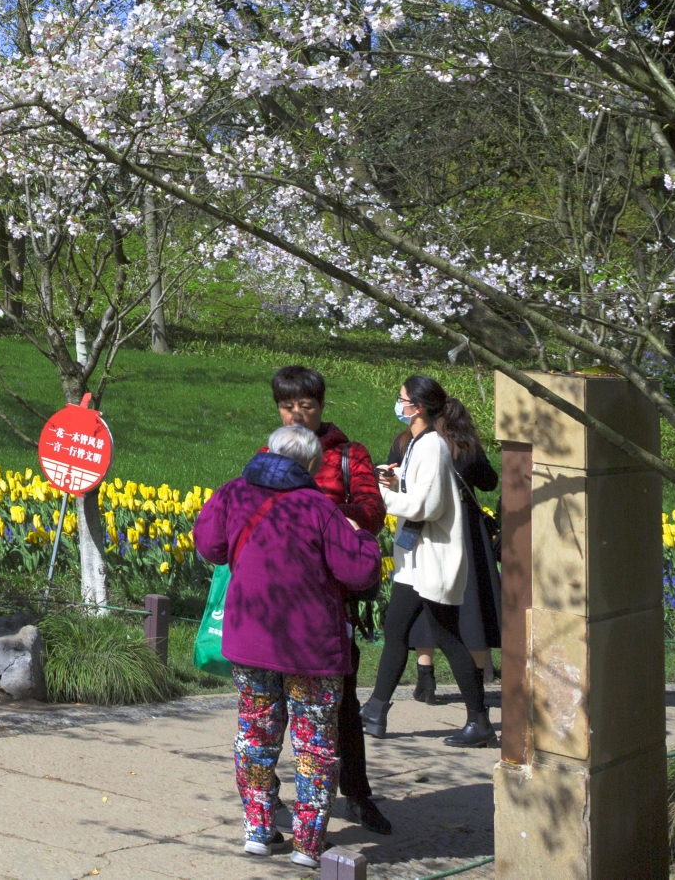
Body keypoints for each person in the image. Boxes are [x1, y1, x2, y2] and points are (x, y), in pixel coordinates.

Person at [197, 424, 385, 863]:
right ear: (311, 465)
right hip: (311, 648)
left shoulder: (232, 493)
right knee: (315, 744)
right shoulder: (319, 509)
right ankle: (308, 843)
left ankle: (258, 830)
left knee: (255, 736)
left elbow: (210, 545)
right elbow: (358, 572)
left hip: (251, 639)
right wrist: (363, 538)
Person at [272, 364, 393, 835]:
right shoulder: (271, 452)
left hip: (330, 600)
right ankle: (269, 791)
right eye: (288, 406)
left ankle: (358, 793)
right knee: (270, 703)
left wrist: (318, 515)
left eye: (306, 405)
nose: (297, 415)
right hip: (277, 598)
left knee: (340, 704)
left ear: (321, 407)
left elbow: (372, 511)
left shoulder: (348, 455)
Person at [362, 375, 497, 747]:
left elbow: (428, 505)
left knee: (446, 636)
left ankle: (479, 720)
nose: (398, 403)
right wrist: (396, 480)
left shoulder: (432, 446)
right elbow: (421, 490)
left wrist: (382, 498)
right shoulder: (419, 444)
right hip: (415, 562)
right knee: (397, 631)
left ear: (417, 408)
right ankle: (375, 708)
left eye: (402, 398)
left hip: (431, 562)